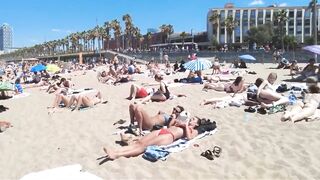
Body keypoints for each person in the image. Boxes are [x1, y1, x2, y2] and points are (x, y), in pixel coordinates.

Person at [103, 116, 216, 160]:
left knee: (143, 147)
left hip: (168, 137)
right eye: (191, 118)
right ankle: (115, 151)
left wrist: (186, 125)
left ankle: (117, 155)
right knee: (139, 142)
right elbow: (170, 126)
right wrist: (175, 121)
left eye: (193, 120)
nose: (191, 120)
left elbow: (190, 138)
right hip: (163, 131)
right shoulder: (183, 123)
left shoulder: (193, 129)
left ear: (196, 124)